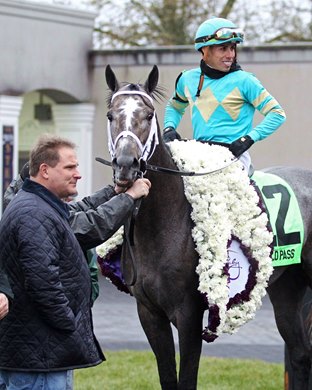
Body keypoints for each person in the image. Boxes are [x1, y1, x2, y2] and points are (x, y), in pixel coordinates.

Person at [0, 134, 151, 390]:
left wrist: (113, 192)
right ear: (45, 171)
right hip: (40, 359)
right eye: (70, 167)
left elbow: (77, 213)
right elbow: (45, 282)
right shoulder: (33, 213)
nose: (78, 174)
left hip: (42, 354)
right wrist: (68, 324)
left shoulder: (39, 204)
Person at [163, 17, 286, 172]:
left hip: (235, 158)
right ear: (204, 50)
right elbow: (175, 107)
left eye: (232, 48)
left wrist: (249, 138)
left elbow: (277, 113)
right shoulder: (187, 79)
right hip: (198, 155)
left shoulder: (246, 81)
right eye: (223, 49)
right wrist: (169, 128)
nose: (230, 55)